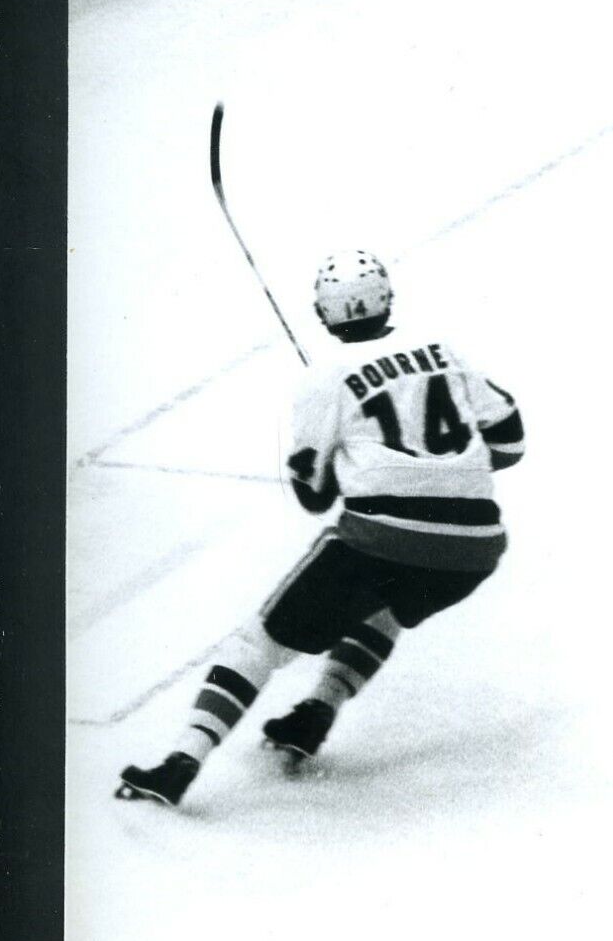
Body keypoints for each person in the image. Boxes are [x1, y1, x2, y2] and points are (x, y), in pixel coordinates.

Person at [116, 250, 524, 806]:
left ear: (323, 314)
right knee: (382, 608)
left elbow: (314, 496)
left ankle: (182, 760)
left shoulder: (322, 378)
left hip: (382, 536)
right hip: (475, 550)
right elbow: (510, 442)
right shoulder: (444, 352)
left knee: (259, 641)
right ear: (388, 301)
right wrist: (447, 474)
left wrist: (327, 469)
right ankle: (316, 713)